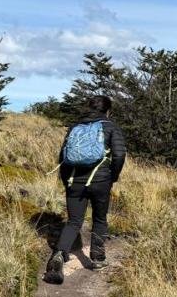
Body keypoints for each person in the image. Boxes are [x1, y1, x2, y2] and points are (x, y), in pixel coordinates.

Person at [44, 94, 127, 285]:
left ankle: (58, 255)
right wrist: (112, 175)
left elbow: (63, 157)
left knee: (74, 221)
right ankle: (97, 259)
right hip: (101, 180)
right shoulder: (111, 127)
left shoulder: (75, 127)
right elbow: (120, 154)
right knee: (99, 218)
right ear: (108, 110)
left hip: (74, 180)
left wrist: (67, 181)